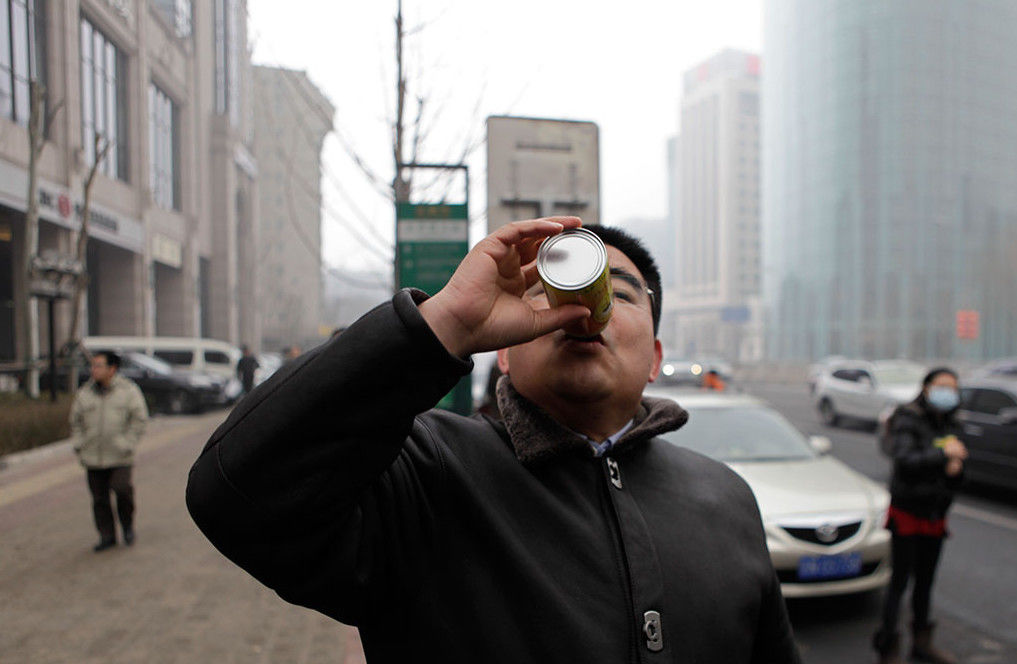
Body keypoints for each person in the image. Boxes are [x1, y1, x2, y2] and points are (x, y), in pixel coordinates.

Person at [186, 218, 800, 663]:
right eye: (549, 289)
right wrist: (443, 325)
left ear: (656, 358)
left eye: (621, 292)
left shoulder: (724, 495)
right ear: (502, 352)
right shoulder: (423, 472)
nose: (588, 309)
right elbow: (236, 493)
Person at [872, 367, 967, 664]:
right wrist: (944, 457)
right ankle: (888, 647)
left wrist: (955, 469)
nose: (947, 393)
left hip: (935, 515)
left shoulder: (951, 422)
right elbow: (903, 459)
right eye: (941, 386)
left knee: (926, 582)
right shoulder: (907, 417)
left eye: (952, 388)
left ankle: (922, 643)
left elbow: (958, 466)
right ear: (926, 388)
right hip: (908, 513)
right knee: (899, 582)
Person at [70, 350, 149, 552]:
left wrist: (128, 442)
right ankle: (107, 536)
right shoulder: (85, 393)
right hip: (93, 456)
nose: (93, 370)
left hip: (120, 455)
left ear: (112, 369)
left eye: (98, 365)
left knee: (123, 490)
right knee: (99, 500)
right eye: (93, 366)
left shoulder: (128, 391)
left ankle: (127, 526)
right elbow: (75, 421)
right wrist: (80, 443)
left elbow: (139, 419)